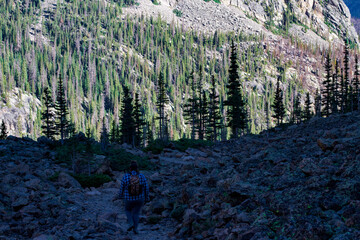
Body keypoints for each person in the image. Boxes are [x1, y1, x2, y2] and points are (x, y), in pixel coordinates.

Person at [113, 161, 149, 234]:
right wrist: (146, 197)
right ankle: (135, 229)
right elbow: (146, 187)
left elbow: (122, 188)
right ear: (137, 168)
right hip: (140, 199)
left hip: (128, 198)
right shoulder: (142, 176)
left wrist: (120, 196)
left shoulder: (125, 176)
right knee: (136, 213)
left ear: (130, 168)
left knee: (127, 210)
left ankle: (130, 223)